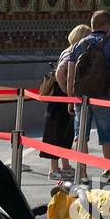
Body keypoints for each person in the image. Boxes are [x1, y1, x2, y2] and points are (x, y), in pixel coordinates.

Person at [56, 9, 110, 173]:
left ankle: (81, 172)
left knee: (81, 136)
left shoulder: (78, 45)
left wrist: (71, 98)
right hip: (103, 96)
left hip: (81, 98)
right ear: (107, 25)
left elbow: (71, 76)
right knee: (107, 137)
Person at [43, 23, 88, 178]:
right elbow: (60, 73)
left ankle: (66, 165)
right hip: (61, 98)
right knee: (57, 132)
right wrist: (66, 92)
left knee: (66, 132)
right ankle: (54, 169)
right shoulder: (71, 52)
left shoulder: (72, 51)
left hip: (64, 96)